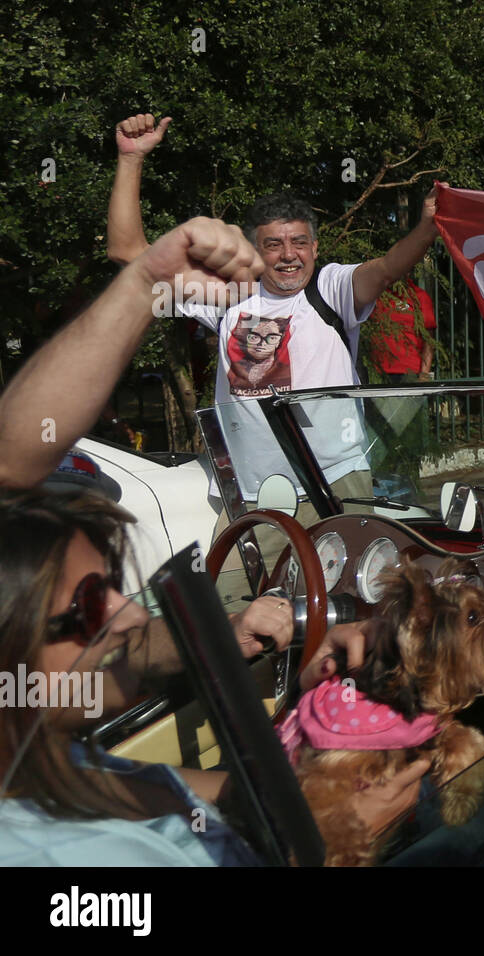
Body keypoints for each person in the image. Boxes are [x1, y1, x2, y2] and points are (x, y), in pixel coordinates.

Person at [0, 218, 426, 863]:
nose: (131, 609)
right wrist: (339, 840)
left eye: (112, 588)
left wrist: (226, 637)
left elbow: (198, 790)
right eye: (83, 608)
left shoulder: (47, 762)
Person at [108, 113, 440, 518]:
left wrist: (427, 227)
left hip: (337, 482)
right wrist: (131, 159)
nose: (288, 254)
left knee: (343, 583)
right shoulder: (230, 295)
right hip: (255, 494)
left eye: (299, 242)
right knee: (237, 585)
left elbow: (388, 266)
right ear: (254, 252)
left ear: (315, 249)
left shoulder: (331, 289)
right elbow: (128, 254)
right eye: (273, 244)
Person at [367, 278, 438, 384]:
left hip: (410, 373)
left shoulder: (419, 296)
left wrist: (424, 375)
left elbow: (429, 339)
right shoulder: (376, 295)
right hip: (377, 372)